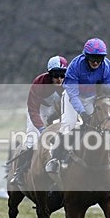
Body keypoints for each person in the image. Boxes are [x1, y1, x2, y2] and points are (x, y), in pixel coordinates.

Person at [45, 38, 110, 174]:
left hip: (92, 98)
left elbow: (108, 91)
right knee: (69, 125)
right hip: (73, 97)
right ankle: (54, 159)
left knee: (102, 125)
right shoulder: (75, 66)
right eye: (92, 58)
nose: (96, 62)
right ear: (86, 56)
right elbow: (73, 95)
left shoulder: (107, 67)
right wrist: (82, 112)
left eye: (99, 58)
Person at [9, 55, 67, 185]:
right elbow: (33, 109)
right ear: (50, 74)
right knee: (32, 138)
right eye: (56, 76)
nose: (59, 79)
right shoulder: (39, 82)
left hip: (59, 112)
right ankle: (20, 171)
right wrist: (41, 128)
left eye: (62, 75)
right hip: (40, 110)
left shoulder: (69, 83)